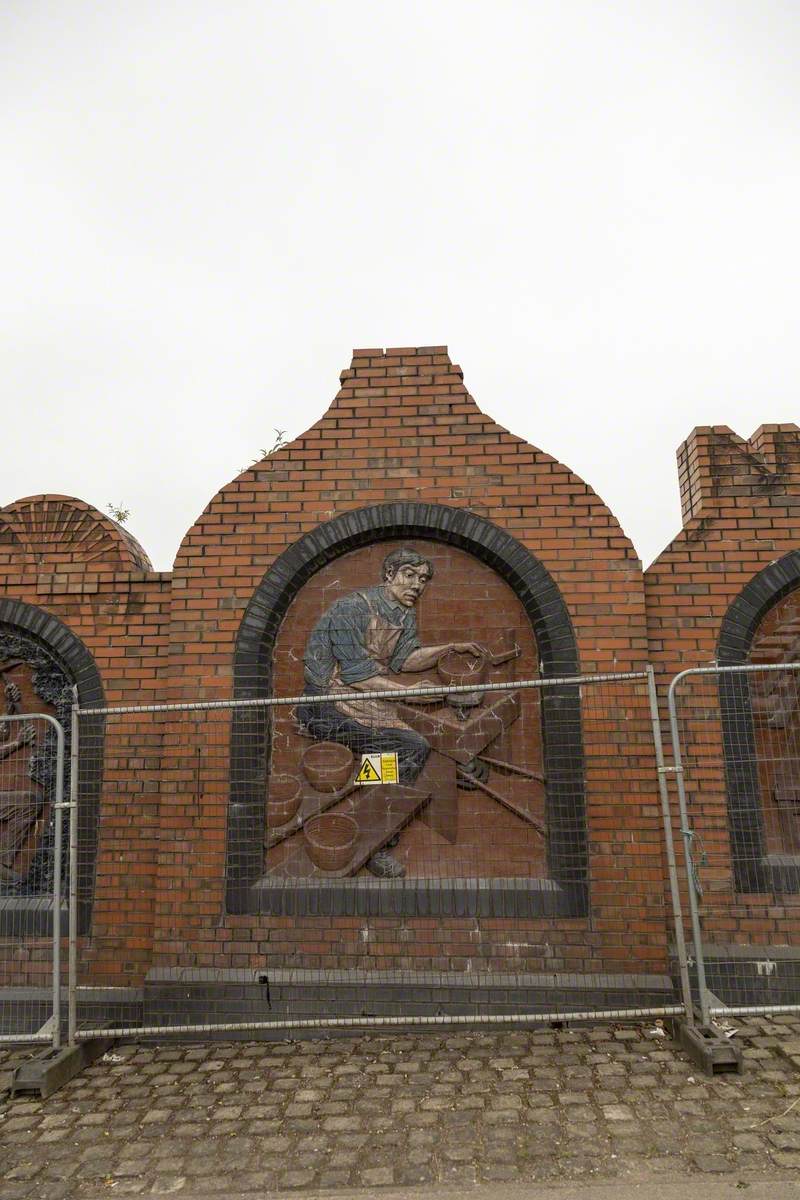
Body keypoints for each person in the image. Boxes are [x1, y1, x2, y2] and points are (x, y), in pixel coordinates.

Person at [298, 547, 483, 877]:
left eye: (423, 579)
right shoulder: (350, 608)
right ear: (389, 576)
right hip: (323, 704)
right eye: (409, 575)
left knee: (411, 733)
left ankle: (401, 784)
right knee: (408, 745)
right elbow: (358, 676)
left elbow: (405, 660)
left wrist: (449, 648)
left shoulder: (403, 614)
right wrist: (409, 694)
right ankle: (377, 840)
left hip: (362, 699)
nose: (417, 585)